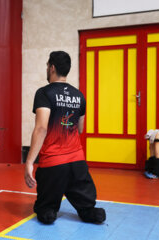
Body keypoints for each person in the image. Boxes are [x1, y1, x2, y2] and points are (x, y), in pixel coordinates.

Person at [24, 51, 106, 224]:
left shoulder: (44, 93)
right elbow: (80, 129)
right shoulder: (79, 95)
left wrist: (29, 162)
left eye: (47, 66)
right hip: (78, 163)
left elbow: (41, 128)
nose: (47, 69)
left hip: (53, 164)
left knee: (45, 210)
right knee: (87, 206)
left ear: (52, 67)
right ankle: (90, 212)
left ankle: (48, 211)